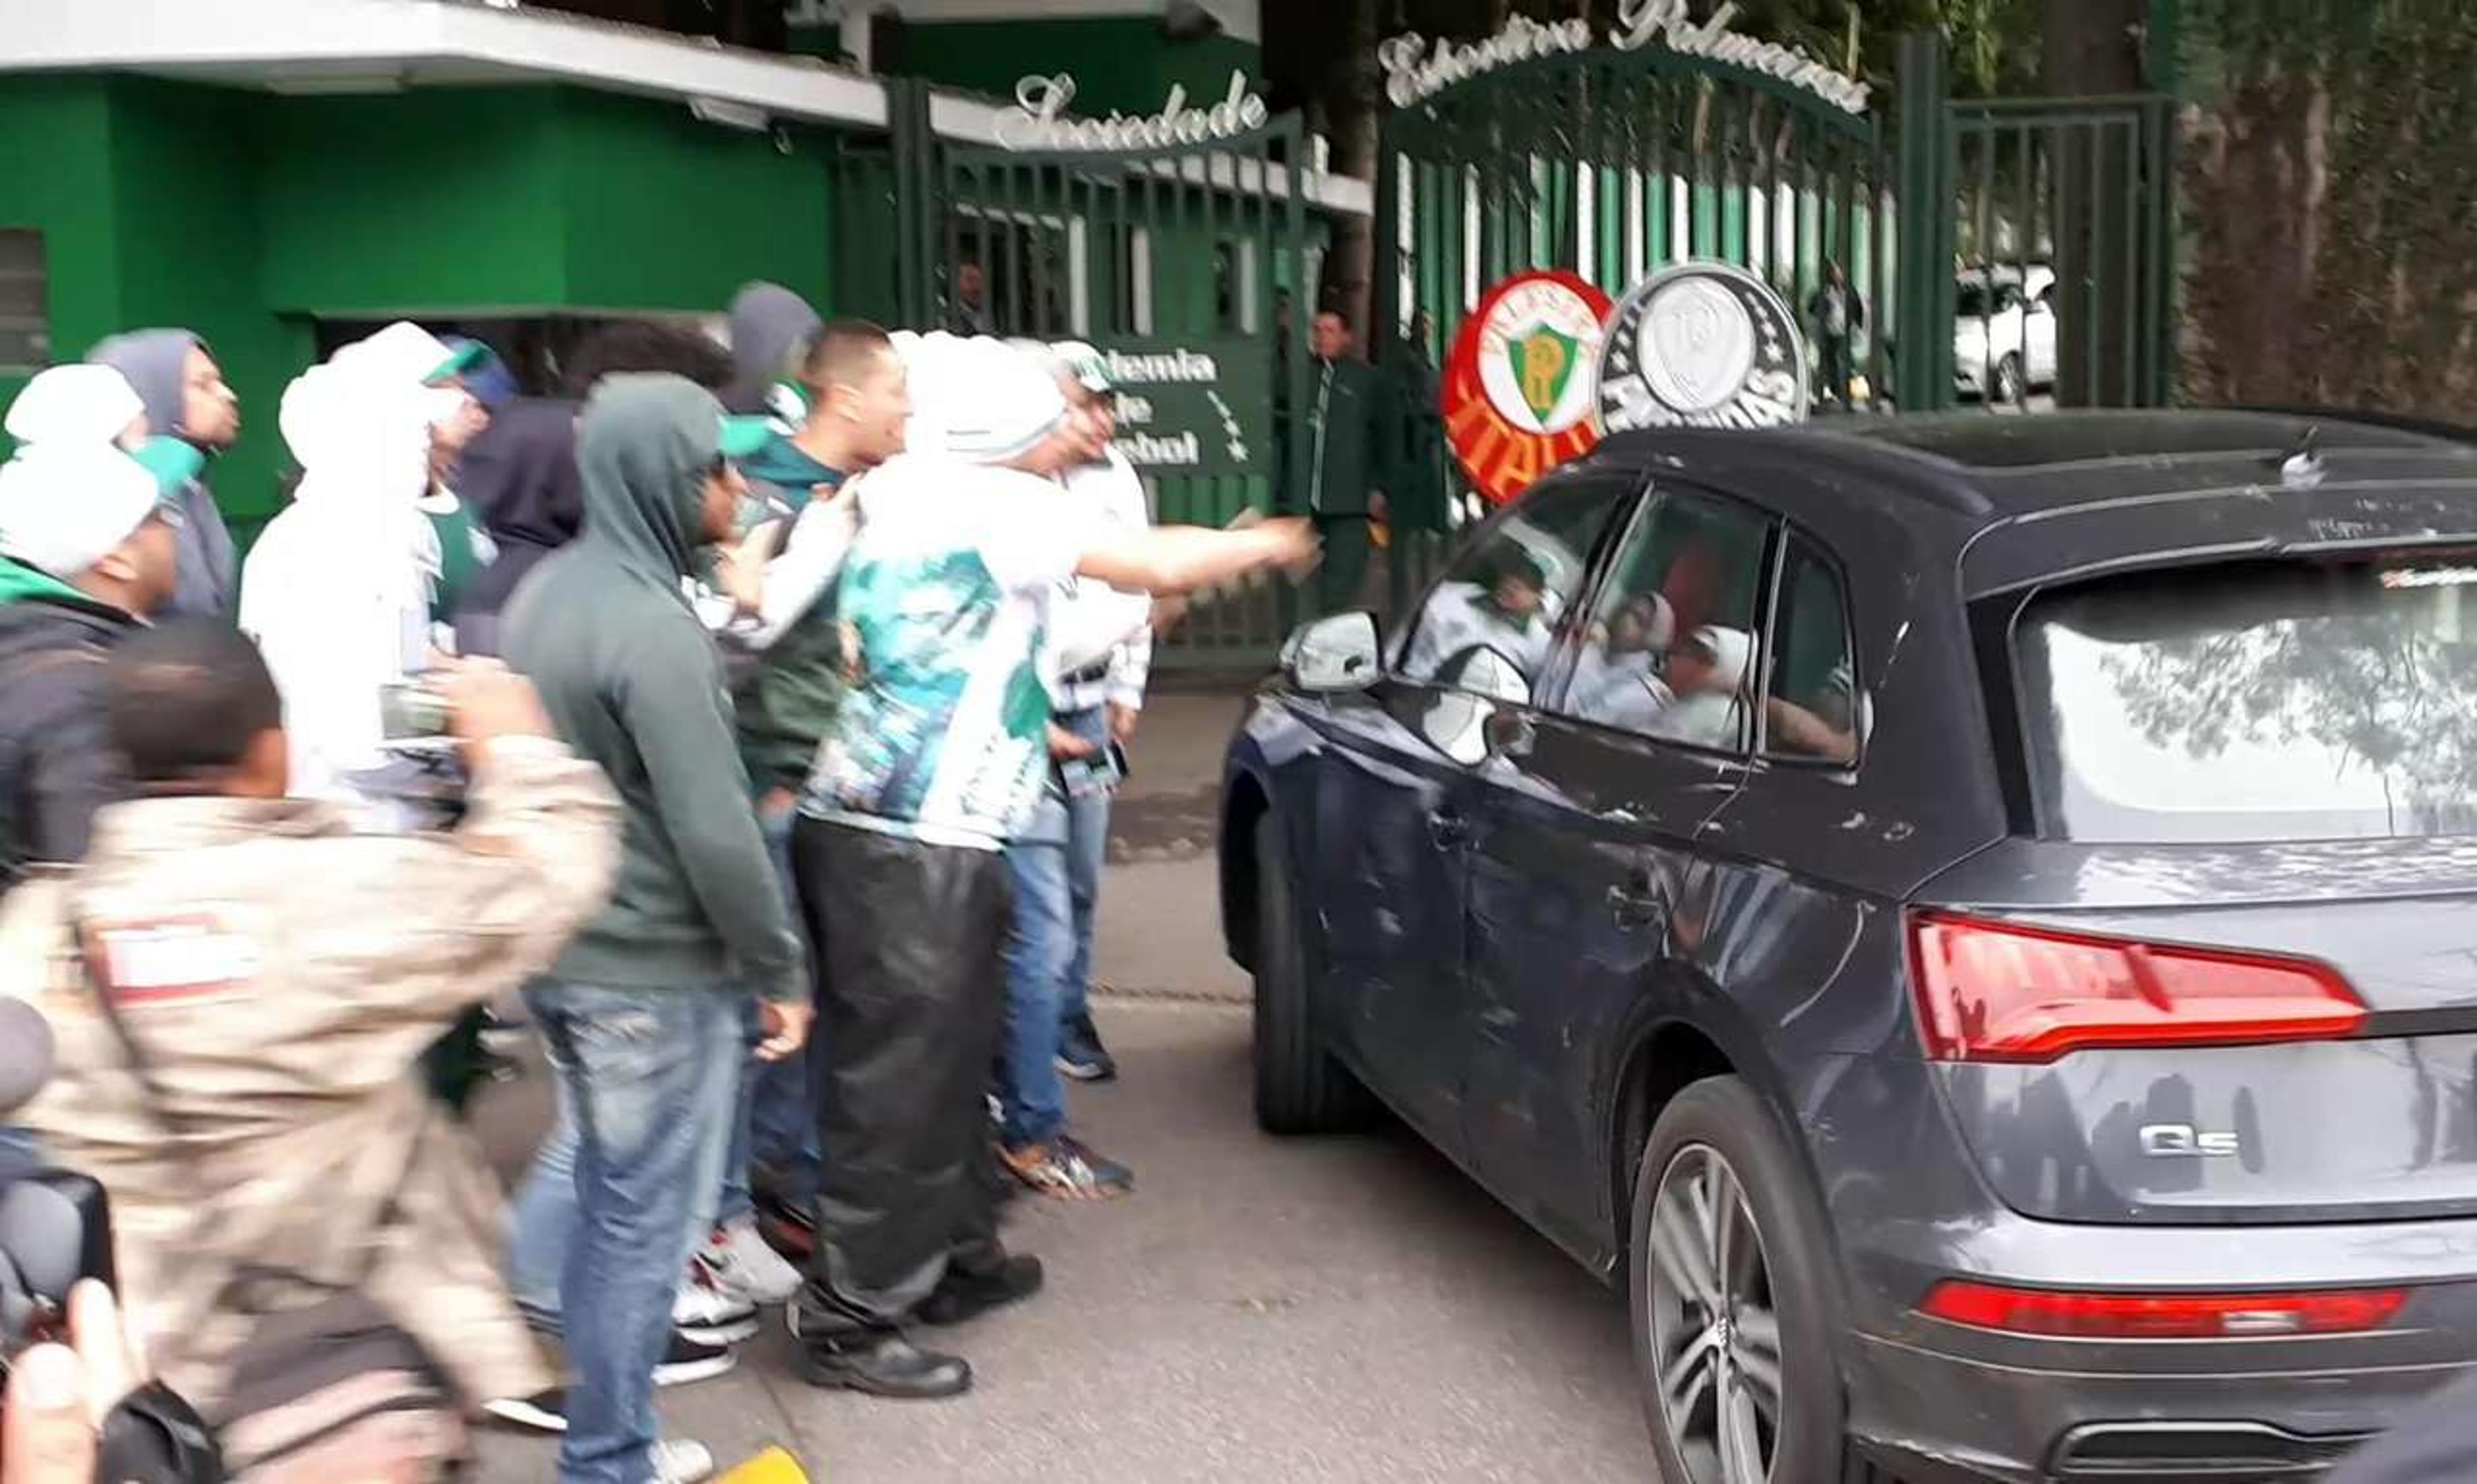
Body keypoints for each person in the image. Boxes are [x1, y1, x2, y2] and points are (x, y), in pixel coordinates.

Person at [786, 335, 1317, 1398]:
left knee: (944, 1059)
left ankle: (951, 1258)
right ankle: (850, 1318)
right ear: (1015, 435)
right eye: (1055, 418)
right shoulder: (996, 504)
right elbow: (1156, 566)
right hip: (918, 840)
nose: (1073, 431)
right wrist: (1256, 544)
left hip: (883, 827)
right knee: (902, 1081)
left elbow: (1043, 627)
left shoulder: (900, 491)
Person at [0, 618, 621, 1464]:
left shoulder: (34, 932)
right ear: (271, 750)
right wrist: (515, 742)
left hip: (146, 1388)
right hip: (343, 1373)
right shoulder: (344, 894)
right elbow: (549, 873)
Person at [501, 374, 811, 1484]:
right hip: (653, 976)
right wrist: (780, 966)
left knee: (606, 1209)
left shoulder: (548, 594)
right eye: (716, 469)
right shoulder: (653, 629)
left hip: (565, 954)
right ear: (666, 482)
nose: (735, 487)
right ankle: (610, 1461)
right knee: (642, 1237)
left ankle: (607, 1437)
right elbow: (716, 832)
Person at [708, 319, 911, 1272]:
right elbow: (730, 640)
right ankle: (759, 1196)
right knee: (784, 1009)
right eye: (898, 393)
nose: (910, 411)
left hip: (832, 780)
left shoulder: (865, 497)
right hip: (780, 784)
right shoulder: (772, 496)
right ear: (848, 399)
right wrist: (775, 784)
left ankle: (802, 1180)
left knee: (831, 994)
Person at [990, 341, 1153, 1200]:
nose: (1098, 422)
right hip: (1025, 719)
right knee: (1036, 917)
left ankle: (1060, 1022)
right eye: (1083, 406)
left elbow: (1138, 595)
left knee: (1078, 885)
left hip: (1088, 709)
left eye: (1105, 408)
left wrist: (1126, 685)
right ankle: (1023, 1104)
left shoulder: (1113, 480)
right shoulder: (997, 488)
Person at [238, 321, 484, 820]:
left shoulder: (348, 530)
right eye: (413, 429)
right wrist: (471, 708)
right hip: (361, 821)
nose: (422, 445)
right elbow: (369, 733)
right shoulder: (357, 539)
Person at [0, 366, 195, 891]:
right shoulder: (86, 699)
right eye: (161, 518)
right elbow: (103, 898)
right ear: (115, 559)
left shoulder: (28, 643)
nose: (176, 529)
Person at [85, 330, 242, 621]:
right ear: (148, 396)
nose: (228, 396)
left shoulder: (190, 489)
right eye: (203, 385)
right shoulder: (111, 512)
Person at [1304, 308, 1396, 615]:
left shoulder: (1365, 380)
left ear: (1346, 336)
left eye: (1330, 330)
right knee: (1301, 581)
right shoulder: (1301, 375)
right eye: (1317, 329)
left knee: (1341, 583)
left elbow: (1384, 436)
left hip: (1350, 500)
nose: (1322, 336)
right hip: (1304, 499)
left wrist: (1378, 487)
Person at [1403, 548, 1556, 683]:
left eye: (1525, 584)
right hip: (1412, 683)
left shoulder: (1540, 645)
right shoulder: (1451, 596)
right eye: (1512, 577)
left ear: (1540, 595)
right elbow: (1403, 636)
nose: (1511, 588)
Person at [1569, 593, 1675, 722]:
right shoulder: (1596, 650)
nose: (1626, 620)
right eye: (1626, 610)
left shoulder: (1643, 691)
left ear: (1653, 637)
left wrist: (1591, 654)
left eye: (1639, 620)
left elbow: (1582, 717)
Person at [1807, 260, 1865, 409]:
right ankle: (1837, 393)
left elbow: (1858, 308)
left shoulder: (1849, 291)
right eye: (1835, 272)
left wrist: (1858, 326)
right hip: (1829, 332)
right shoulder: (1825, 291)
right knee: (1830, 364)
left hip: (1844, 332)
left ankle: (1849, 395)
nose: (1838, 275)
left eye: (1839, 272)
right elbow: (1812, 307)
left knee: (1847, 364)